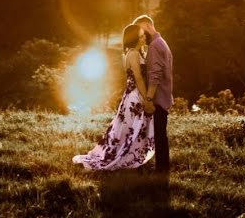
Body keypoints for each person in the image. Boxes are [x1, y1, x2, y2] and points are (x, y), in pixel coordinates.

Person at [72, 24, 155, 171]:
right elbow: (139, 79)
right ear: (134, 38)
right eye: (141, 36)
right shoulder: (134, 54)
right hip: (136, 96)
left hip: (129, 95)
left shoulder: (130, 53)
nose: (144, 38)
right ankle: (125, 157)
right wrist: (147, 100)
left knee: (127, 128)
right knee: (132, 128)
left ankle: (129, 154)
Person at [132, 14, 172, 174]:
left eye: (142, 31)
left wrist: (148, 98)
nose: (142, 36)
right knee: (160, 134)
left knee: (160, 135)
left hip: (158, 98)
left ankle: (162, 170)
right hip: (163, 96)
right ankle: (162, 168)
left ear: (148, 26)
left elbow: (155, 75)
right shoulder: (161, 42)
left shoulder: (155, 46)